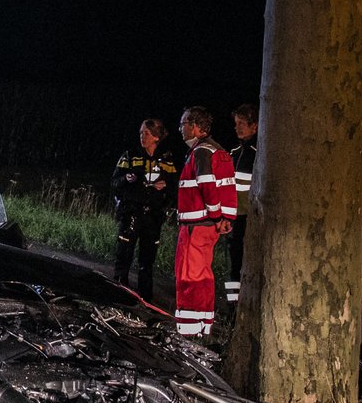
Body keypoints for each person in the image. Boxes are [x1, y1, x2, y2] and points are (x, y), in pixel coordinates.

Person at [174, 105, 237, 336]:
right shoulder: (218, 151)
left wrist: (214, 213)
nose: (181, 129)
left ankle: (189, 332)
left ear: (195, 126)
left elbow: (207, 184)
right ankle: (202, 326)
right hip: (208, 227)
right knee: (202, 275)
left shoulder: (201, 152)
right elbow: (229, 189)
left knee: (189, 275)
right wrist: (224, 218)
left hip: (196, 226)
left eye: (183, 124)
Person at [111, 118, 177, 303]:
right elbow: (114, 183)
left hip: (153, 216)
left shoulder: (166, 160)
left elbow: (174, 187)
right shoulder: (129, 155)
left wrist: (165, 189)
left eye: (146, 133)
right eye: (141, 133)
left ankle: (145, 297)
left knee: (147, 259)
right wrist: (126, 179)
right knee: (124, 254)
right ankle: (119, 290)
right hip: (131, 212)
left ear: (156, 137)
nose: (142, 136)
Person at [225, 103, 259, 305]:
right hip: (233, 218)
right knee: (233, 267)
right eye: (236, 123)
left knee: (248, 266)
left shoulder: (259, 153)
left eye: (242, 124)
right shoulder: (234, 152)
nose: (237, 128)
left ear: (254, 126)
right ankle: (232, 309)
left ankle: (246, 306)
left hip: (249, 219)